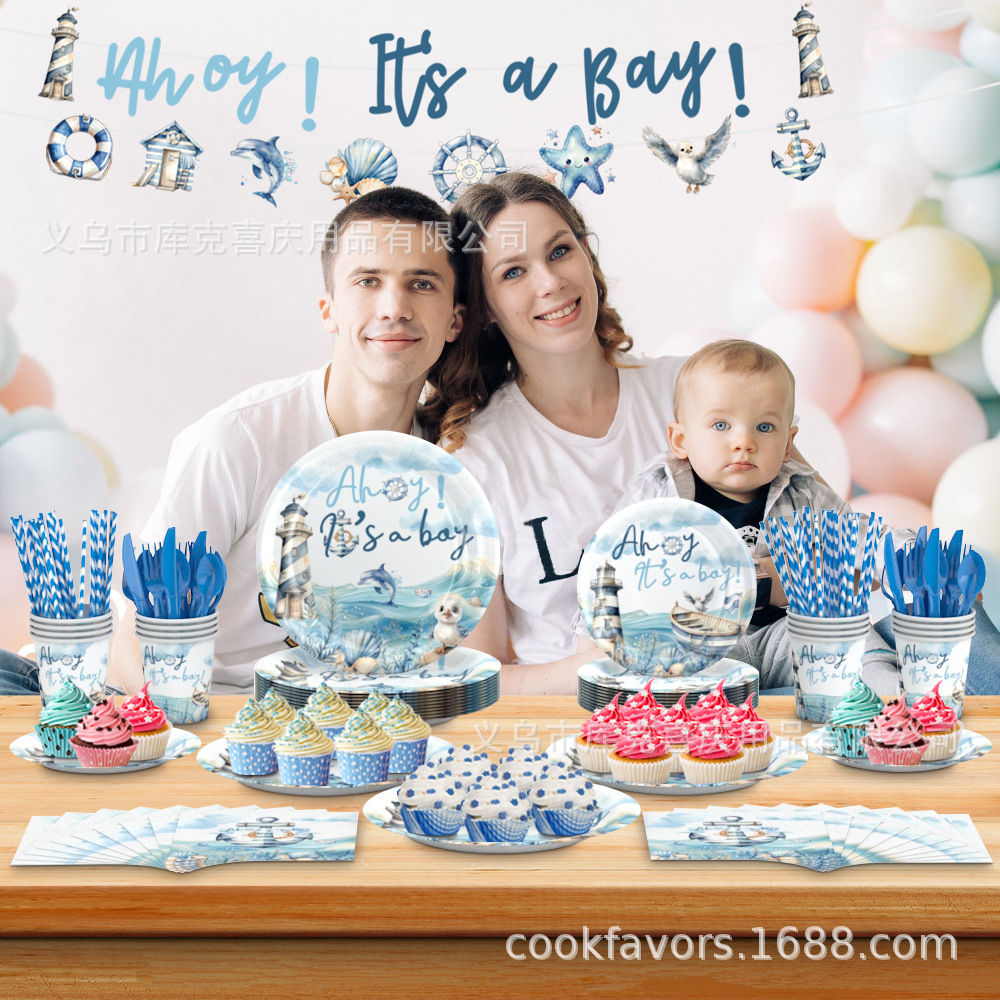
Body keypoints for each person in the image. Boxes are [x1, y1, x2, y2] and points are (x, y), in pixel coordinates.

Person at [108, 186, 466, 696]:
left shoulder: (456, 459)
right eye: (368, 280)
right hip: (217, 713)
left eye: (422, 284)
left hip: (361, 729)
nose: (394, 307)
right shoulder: (239, 441)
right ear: (329, 311)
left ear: (454, 320)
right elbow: (134, 649)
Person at [423, 171, 686, 695]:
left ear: (588, 255)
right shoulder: (472, 460)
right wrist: (606, 674)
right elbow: (474, 677)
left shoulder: (689, 392)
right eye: (514, 271)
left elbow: (823, 540)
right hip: (572, 733)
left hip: (724, 714)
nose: (549, 282)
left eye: (560, 251)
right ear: (484, 308)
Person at [614, 339, 900, 691]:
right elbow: (611, 567)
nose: (744, 441)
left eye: (764, 427)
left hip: (785, 635)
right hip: (696, 647)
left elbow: (860, 540)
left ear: (786, 443)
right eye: (721, 426)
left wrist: (915, 564)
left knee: (844, 628)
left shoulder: (802, 491)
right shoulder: (657, 494)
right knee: (653, 673)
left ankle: (892, 706)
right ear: (680, 440)